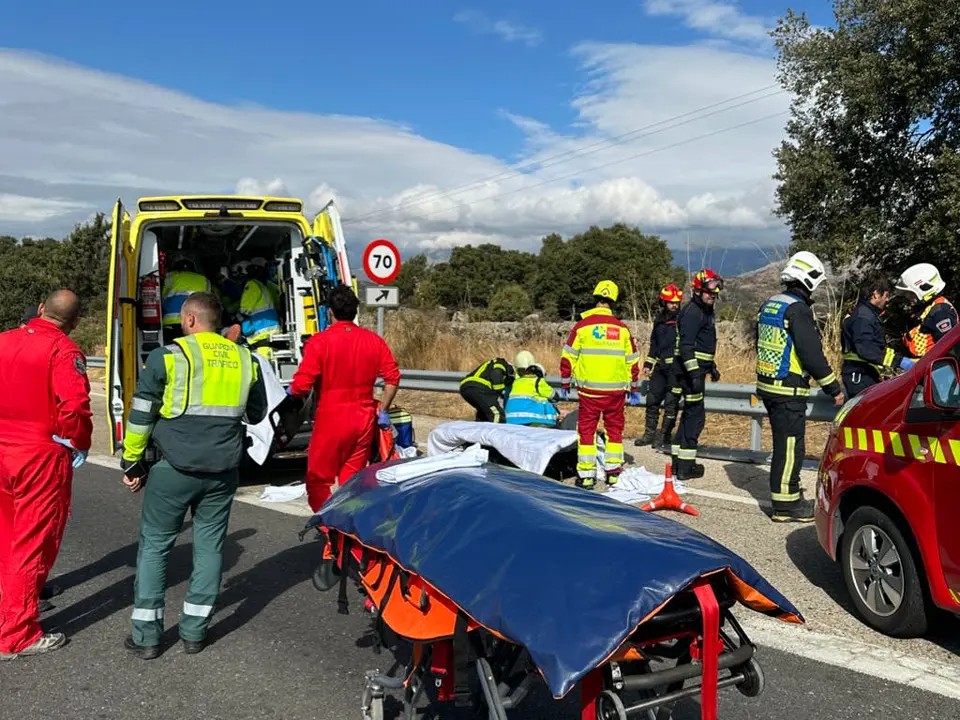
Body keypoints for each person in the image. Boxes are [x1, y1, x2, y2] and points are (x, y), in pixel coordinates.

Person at [120, 292, 267, 659]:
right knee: (210, 547)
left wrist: (132, 461)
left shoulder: (169, 356)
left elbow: (142, 412)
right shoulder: (246, 359)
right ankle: (194, 632)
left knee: (155, 546)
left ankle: (147, 638)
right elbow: (257, 412)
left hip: (173, 468)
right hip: (222, 471)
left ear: (189, 320)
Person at [0, 290, 92, 658]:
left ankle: (8, 608)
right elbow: (75, 408)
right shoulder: (63, 351)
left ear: (40, 309)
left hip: (3, 449)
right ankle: (17, 634)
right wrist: (78, 441)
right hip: (38, 456)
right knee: (32, 542)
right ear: (75, 321)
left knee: (7, 537)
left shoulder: (4, 341)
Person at [287, 285, 401, 511]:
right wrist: (383, 410)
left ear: (330, 311)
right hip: (364, 419)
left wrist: (289, 393)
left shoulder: (319, 342)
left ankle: (329, 526)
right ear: (355, 311)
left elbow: (301, 386)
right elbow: (393, 377)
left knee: (318, 480)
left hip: (331, 418)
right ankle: (348, 525)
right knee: (352, 479)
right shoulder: (374, 341)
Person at [756, 252, 845, 523]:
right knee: (791, 446)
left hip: (768, 385)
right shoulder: (797, 309)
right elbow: (810, 354)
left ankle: (785, 498)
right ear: (810, 279)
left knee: (783, 444)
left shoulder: (771, 303)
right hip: (788, 388)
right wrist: (833, 387)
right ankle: (786, 505)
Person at [560, 280, 641, 488]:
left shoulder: (582, 327)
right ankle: (613, 472)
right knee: (614, 431)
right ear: (613, 301)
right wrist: (633, 387)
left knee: (587, 432)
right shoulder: (622, 329)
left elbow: (568, 357)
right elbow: (632, 361)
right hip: (615, 393)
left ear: (595, 299)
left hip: (590, 393)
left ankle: (587, 475)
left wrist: (565, 382)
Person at [671, 269, 723, 481]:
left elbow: (702, 345)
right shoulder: (693, 312)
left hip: (696, 371)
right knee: (695, 418)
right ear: (698, 291)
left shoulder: (704, 311)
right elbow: (686, 347)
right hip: (690, 373)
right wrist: (694, 374)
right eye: (709, 292)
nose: (713, 296)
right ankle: (686, 467)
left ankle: (678, 463)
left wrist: (711, 367)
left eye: (715, 293)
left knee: (689, 415)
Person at [841, 273, 913, 398]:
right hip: (860, 376)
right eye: (886, 295)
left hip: (864, 373)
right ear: (875, 294)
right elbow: (866, 349)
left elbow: (875, 347)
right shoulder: (863, 318)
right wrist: (899, 361)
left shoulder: (866, 314)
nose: (887, 300)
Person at [636, 284, 683, 450]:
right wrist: (648, 364)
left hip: (676, 370)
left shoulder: (682, 320)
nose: (674, 305)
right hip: (660, 368)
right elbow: (654, 344)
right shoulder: (659, 320)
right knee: (652, 400)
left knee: (671, 403)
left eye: (677, 303)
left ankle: (664, 437)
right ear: (664, 302)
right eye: (671, 302)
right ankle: (649, 434)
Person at [896, 263, 957, 358]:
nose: (907, 297)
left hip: (938, 365)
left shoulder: (940, 312)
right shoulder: (925, 310)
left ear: (924, 288)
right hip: (924, 364)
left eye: (910, 293)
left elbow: (949, 349)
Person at [238, 257, 283, 357]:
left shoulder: (252, 285)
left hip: (260, 332)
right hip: (271, 331)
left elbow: (244, 310)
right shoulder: (266, 286)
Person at [161, 255, 212, 339]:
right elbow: (209, 301)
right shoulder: (204, 280)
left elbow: (162, 297)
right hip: (197, 323)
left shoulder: (170, 277)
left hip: (172, 323)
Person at [504, 351, 559, 427]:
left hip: (510, 419)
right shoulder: (538, 381)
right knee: (544, 401)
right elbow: (555, 396)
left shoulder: (515, 382)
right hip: (531, 419)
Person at [459, 358, 515, 423]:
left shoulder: (490, 365)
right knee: (497, 414)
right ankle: (496, 429)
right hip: (478, 387)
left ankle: (480, 428)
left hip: (466, 387)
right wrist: (500, 391)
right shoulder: (502, 363)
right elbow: (496, 373)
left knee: (484, 413)